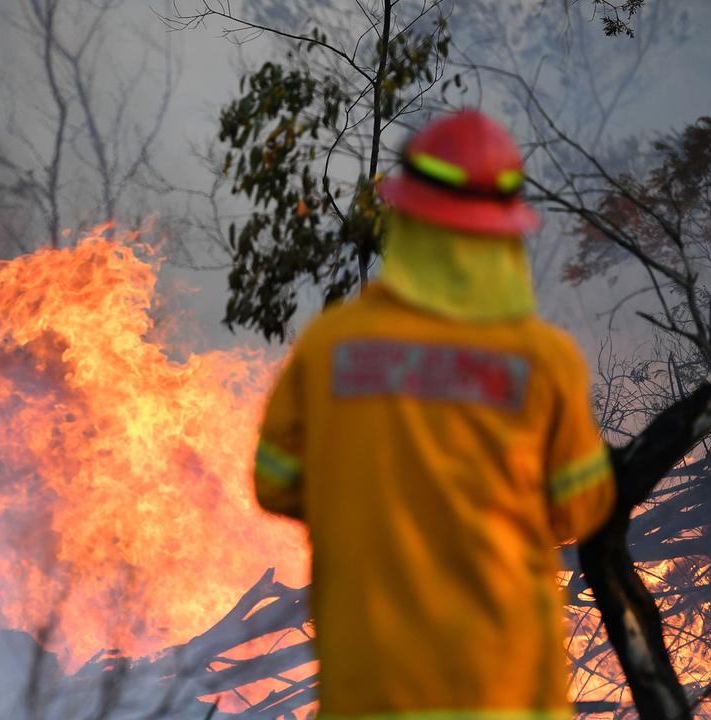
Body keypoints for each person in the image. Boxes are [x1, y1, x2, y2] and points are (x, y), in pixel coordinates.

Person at [252, 109, 615, 718]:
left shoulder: (330, 345)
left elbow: (275, 482)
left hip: (369, 690)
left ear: (407, 219)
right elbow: (579, 507)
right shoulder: (543, 362)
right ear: (505, 234)